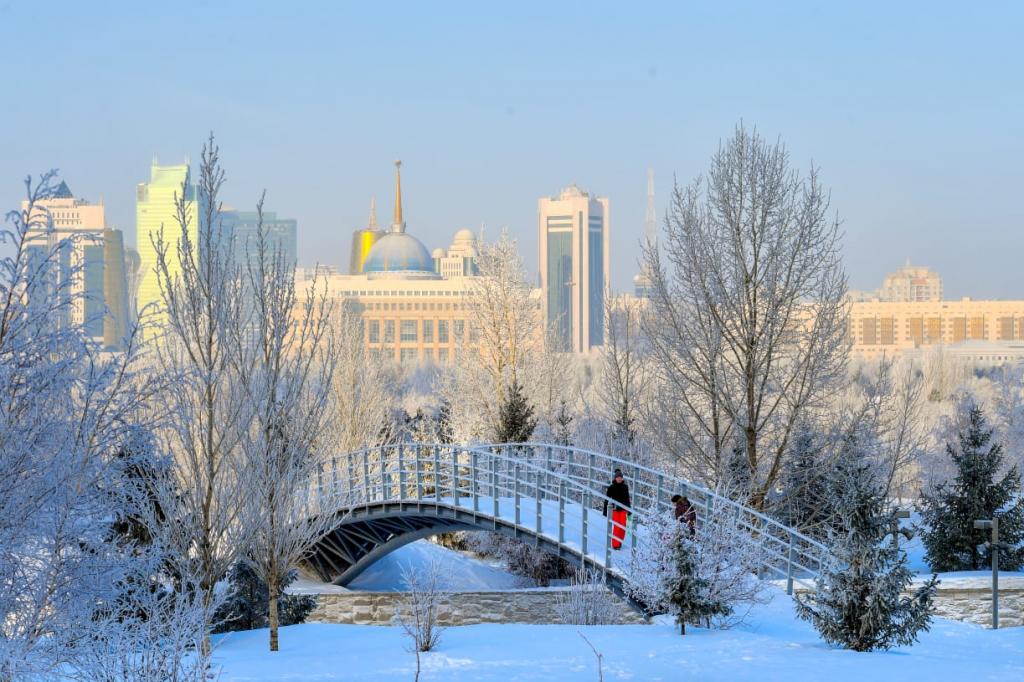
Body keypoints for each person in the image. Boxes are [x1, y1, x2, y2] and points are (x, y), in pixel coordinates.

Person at [603, 469, 631, 550]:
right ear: (615, 478)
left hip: (623, 509)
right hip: (615, 510)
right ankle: (615, 545)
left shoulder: (625, 487)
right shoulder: (611, 487)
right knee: (616, 527)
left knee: (623, 527)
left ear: (622, 478)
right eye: (617, 477)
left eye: (620, 477)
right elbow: (606, 499)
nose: (619, 479)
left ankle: (619, 542)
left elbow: (627, 499)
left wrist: (629, 510)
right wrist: (605, 511)